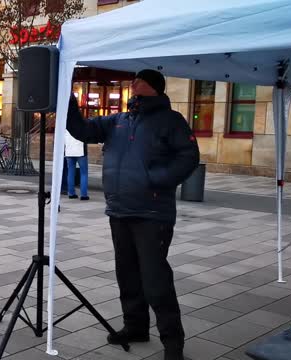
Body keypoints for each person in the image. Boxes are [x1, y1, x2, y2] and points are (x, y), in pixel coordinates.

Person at [66, 69, 200, 360]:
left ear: (152, 87)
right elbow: (83, 131)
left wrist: (155, 179)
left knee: (155, 279)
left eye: (139, 80)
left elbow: (189, 157)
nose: (133, 84)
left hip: (152, 212)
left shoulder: (171, 121)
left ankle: (173, 343)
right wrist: (68, 103)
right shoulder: (119, 120)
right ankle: (135, 326)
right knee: (126, 274)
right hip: (120, 209)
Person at [64, 130, 89, 200]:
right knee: (84, 173)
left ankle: (71, 193)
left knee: (70, 172)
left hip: (69, 150)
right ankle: (84, 195)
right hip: (81, 150)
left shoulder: (66, 125)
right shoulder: (82, 124)